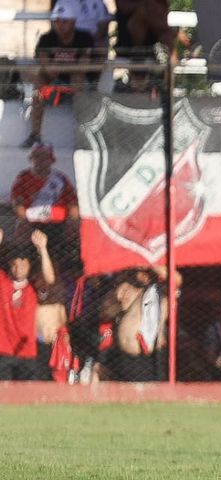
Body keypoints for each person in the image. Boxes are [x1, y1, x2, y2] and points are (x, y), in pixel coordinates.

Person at [23, 3, 98, 148]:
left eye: (64, 21)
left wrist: (59, 67)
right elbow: (47, 68)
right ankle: (35, 135)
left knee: (78, 79)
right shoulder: (47, 39)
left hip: (78, 88)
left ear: (73, 22)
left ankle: (83, 136)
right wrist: (69, 67)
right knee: (39, 81)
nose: (59, 25)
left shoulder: (84, 38)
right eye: (56, 21)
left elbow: (83, 68)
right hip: (53, 87)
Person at [10, 143, 82, 281]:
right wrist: (25, 220)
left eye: (45, 157)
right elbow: (18, 205)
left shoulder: (60, 179)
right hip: (32, 223)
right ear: (32, 159)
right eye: (37, 157)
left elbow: (73, 204)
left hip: (58, 224)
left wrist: (72, 221)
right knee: (21, 229)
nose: (41, 160)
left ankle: (60, 278)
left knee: (73, 233)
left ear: (51, 159)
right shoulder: (24, 177)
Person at [0, 230, 57, 380]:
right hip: (3, 350)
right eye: (15, 265)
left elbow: (49, 279)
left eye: (23, 265)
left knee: (26, 395)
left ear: (29, 266)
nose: (18, 269)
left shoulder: (33, 287)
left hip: (27, 351)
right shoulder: (3, 283)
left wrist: (43, 249)